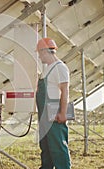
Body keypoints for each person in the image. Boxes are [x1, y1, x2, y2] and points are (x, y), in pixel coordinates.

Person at [35, 37, 71, 169]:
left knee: (58, 149)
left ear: (45, 51)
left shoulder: (60, 68)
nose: (39, 57)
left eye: (39, 53)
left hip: (54, 115)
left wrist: (63, 113)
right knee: (46, 148)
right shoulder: (47, 69)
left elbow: (65, 91)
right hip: (45, 116)